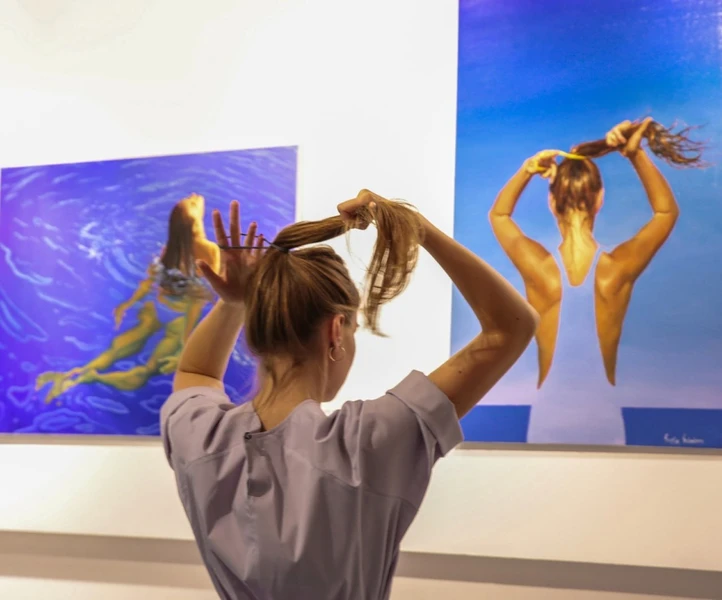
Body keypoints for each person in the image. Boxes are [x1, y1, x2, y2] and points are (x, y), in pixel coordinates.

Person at [161, 190, 539, 600]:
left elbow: (196, 372)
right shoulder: (368, 441)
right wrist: (417, 228)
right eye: (353, 330)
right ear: (335, 332)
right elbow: (512, 327)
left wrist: (233, 304)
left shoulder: (199, 436)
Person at [489, 118, 705, 444]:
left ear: (552, 203)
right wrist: (634, 154)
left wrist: (529, 169)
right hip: (605, 424)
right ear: (600, 199)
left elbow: (499, 215)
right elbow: (666, 213)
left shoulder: (539, 269)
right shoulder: (616, 269)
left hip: (546, 422)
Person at [36, 193, 219, 402]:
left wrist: (127, 304)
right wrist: (186, 344)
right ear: (194, 223)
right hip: (178, 320)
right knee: (148, 370)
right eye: (193, 203)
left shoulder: (169, 248)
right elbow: (198, 300)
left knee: (116, 350)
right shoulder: (210, 250)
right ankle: (91, 378)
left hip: (156, 307)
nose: (196, 198)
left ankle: (70, 376)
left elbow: (150, 280)